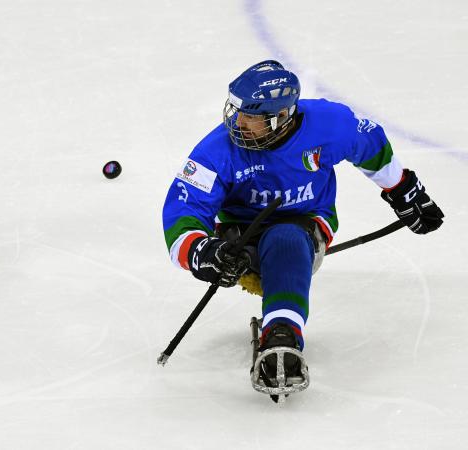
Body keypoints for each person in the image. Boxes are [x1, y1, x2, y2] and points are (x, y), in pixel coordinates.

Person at [161, 60, 444, 399]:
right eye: (238, 112)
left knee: (286, 240)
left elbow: (369, 143)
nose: (238, 122)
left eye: (251, 117)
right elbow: (184, 208)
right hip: (240, 233)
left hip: (304, 222)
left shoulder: (329, 125)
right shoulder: (216, 151)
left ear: (281, 117)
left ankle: (282, 332)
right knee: (260, 245)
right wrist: (202, 252)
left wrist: (402, 190)